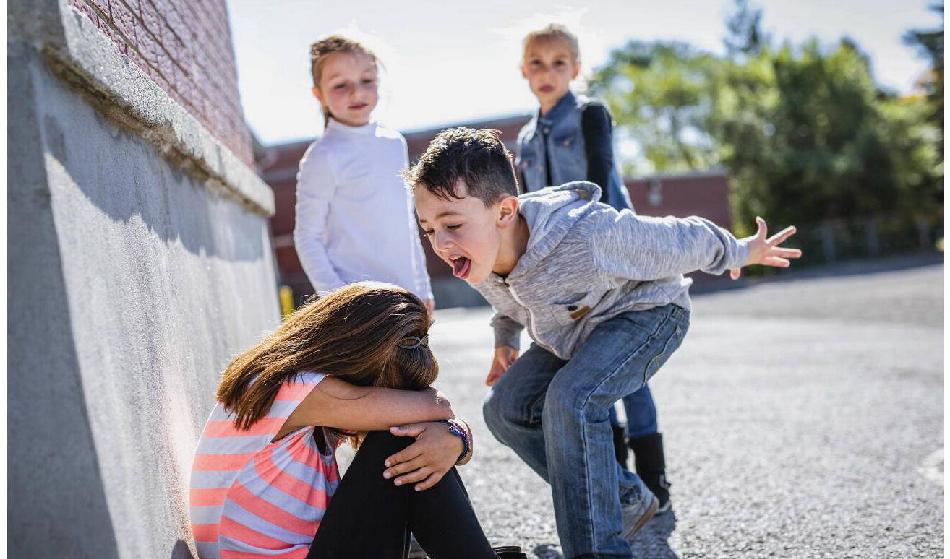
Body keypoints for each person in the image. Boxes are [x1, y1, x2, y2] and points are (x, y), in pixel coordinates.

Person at [406, 128, 801, 558]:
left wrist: (741, 251)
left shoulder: (588, 235)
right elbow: (510, 301)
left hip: (647, 314)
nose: (440, 243)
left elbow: (681, 238)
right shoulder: (476, 252)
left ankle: (599, 550)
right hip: (573, 331)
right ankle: (624, 498)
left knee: (571, 399)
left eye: (452, 225)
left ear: (504, 211)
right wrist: (505, 340)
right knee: (503, 409)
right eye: (428, 229)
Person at [189, 282, 524, 559]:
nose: (389, 403)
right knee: (401, 438)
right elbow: (437, 406)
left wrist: (455, 438)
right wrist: (455, 433)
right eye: (386, 392)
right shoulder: (294, 388)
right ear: (358, 359)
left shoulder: (298, 396)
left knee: (413, 445)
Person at [514, 23, 667, 506]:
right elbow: (527, 206)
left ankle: (654, 480)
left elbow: (601, 178)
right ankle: (621, 484)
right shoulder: (525, 138)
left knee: (628, 369)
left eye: (559, 63)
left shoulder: (590, 115)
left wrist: (611, 250)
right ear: (523, 71)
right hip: (562, 269)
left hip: (612, 256)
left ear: (576, 69)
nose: (548, 72)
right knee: (590, 367)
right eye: (537, 63)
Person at [294, 35, 434, 314]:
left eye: (366, 80)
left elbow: (406, 224)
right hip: (358, 306)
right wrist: (339, 300)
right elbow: (307, 237)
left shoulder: (394, 143)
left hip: (406, 297)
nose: (356, 93)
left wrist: (422, 287)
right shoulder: (323, 156)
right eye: (340, 85)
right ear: (319, 94)